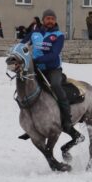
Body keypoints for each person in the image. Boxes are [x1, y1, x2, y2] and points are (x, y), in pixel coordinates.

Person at [19, 9, 79, 139]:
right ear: (43, 20)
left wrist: (35, 60)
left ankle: (67, 121)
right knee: (26, 88)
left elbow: (54, 54)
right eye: (48, 18)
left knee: (56, 86)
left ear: (55, 20)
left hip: (53, 69)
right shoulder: (34, 33)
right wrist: (15, 54)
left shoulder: (59, 35)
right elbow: (21, 45)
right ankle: (31, 122)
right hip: (36, 69)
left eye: (52, 19)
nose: (50, 21)